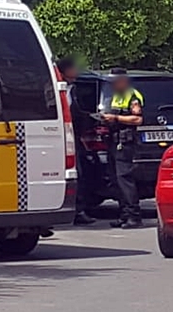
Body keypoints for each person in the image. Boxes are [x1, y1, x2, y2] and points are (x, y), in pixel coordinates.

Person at [103, 68, 145, 228]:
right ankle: (124, 214)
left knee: (124, 179)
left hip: (124, 142)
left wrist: (116, 118)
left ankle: (134, 216)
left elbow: (137, 119)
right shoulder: (116, 96)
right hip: (113, 140)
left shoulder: (132, 95)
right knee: (116, 179)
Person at [57, 58, 97, 226]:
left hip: (73, 138)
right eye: (74, 69)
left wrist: (91, 120)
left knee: (77, 173)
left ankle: (78, 210)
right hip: (58, 138)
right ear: (65, 71)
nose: (77, 72)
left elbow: (76, 113)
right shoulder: (55, 86)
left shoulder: (72, 88)